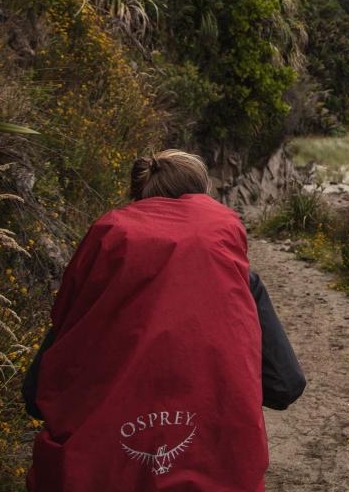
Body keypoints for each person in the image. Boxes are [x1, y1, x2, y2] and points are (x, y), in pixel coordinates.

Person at [23, 149, 305, 491]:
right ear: (201, 197)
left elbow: (36, 395)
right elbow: (284, 386)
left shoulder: (106, 259)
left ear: (139, 197)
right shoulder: (239, 279)